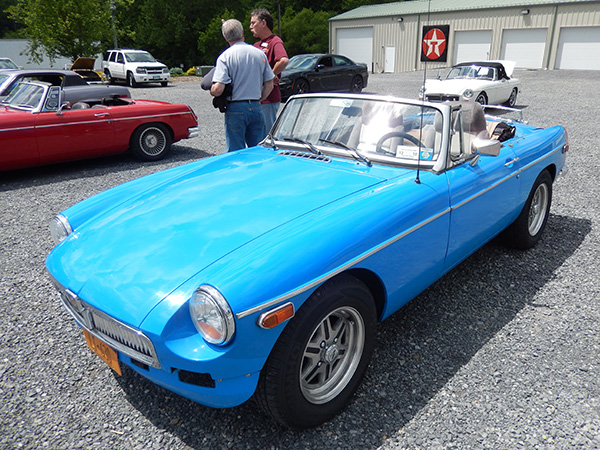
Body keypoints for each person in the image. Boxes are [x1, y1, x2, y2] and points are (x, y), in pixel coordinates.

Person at [210, 19, 275, 152]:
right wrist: (261, 99)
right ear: (242, 32)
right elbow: (270, 83)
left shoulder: (225, 57)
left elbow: (218, 89)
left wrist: (211, 89)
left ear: (225, 37)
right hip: (256, 106)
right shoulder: (259, 54)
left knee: (236, 152)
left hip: (235, 107)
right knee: (258, 150)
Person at [250, 8, 289, 133]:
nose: (250, 27)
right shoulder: (256, 45)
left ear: (263, 23)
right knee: (255, 133)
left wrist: (270, 75)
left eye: (253, 23)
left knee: (266, 133)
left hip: (269, 98)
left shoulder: (275, 41)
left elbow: (283, 60)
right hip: (255, 97)